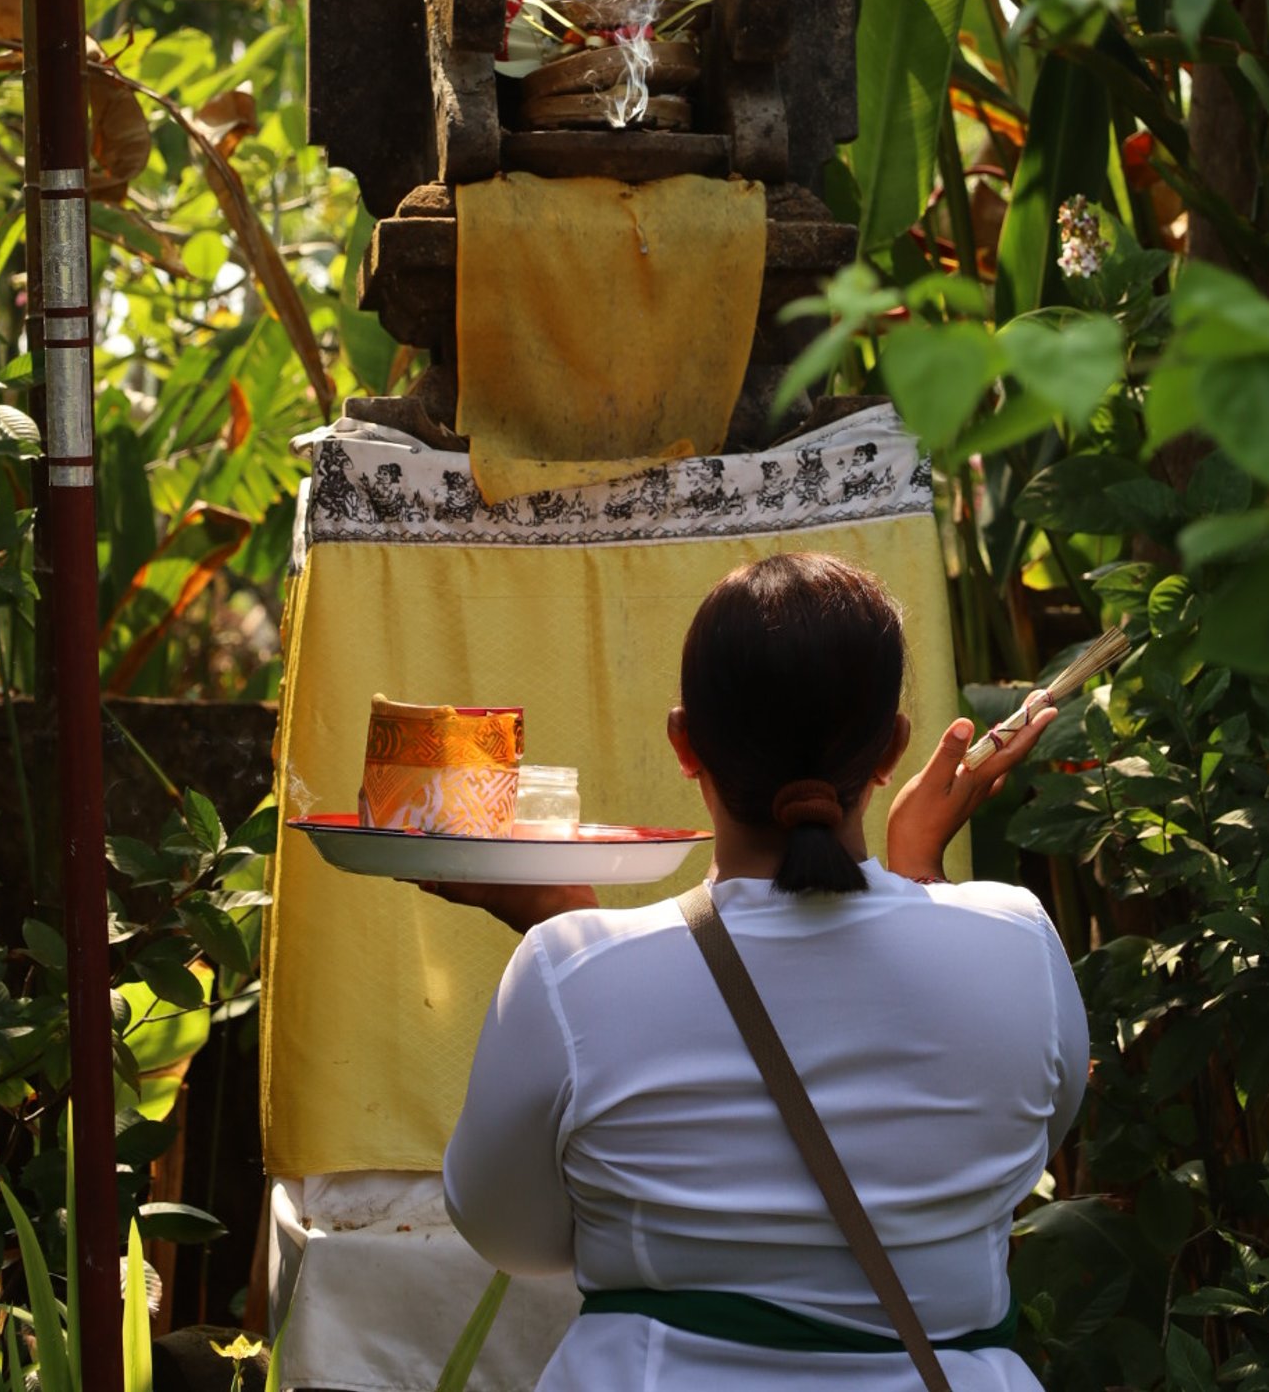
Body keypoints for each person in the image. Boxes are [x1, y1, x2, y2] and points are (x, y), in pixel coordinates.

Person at [439, 552, 1089, 1389]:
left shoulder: (572, 971)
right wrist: (918, 871)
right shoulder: (1020, 945)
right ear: (891, 748)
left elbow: (508, 1235)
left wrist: (565, 942)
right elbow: (1019, 1146)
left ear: (684, 743)